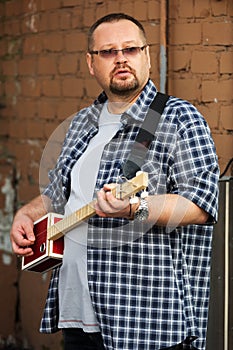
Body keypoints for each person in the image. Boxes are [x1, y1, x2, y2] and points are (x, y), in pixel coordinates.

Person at [10, 13, 219, 350]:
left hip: (144, 321)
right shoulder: (81, 124)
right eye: (107, 52)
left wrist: (135, 207)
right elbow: (57, 194)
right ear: (91, 64)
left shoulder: (178, 117)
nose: (121, 58)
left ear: (146, 56)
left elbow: (201, 203)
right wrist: (27, 214)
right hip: (76, 312)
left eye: (130, 49)